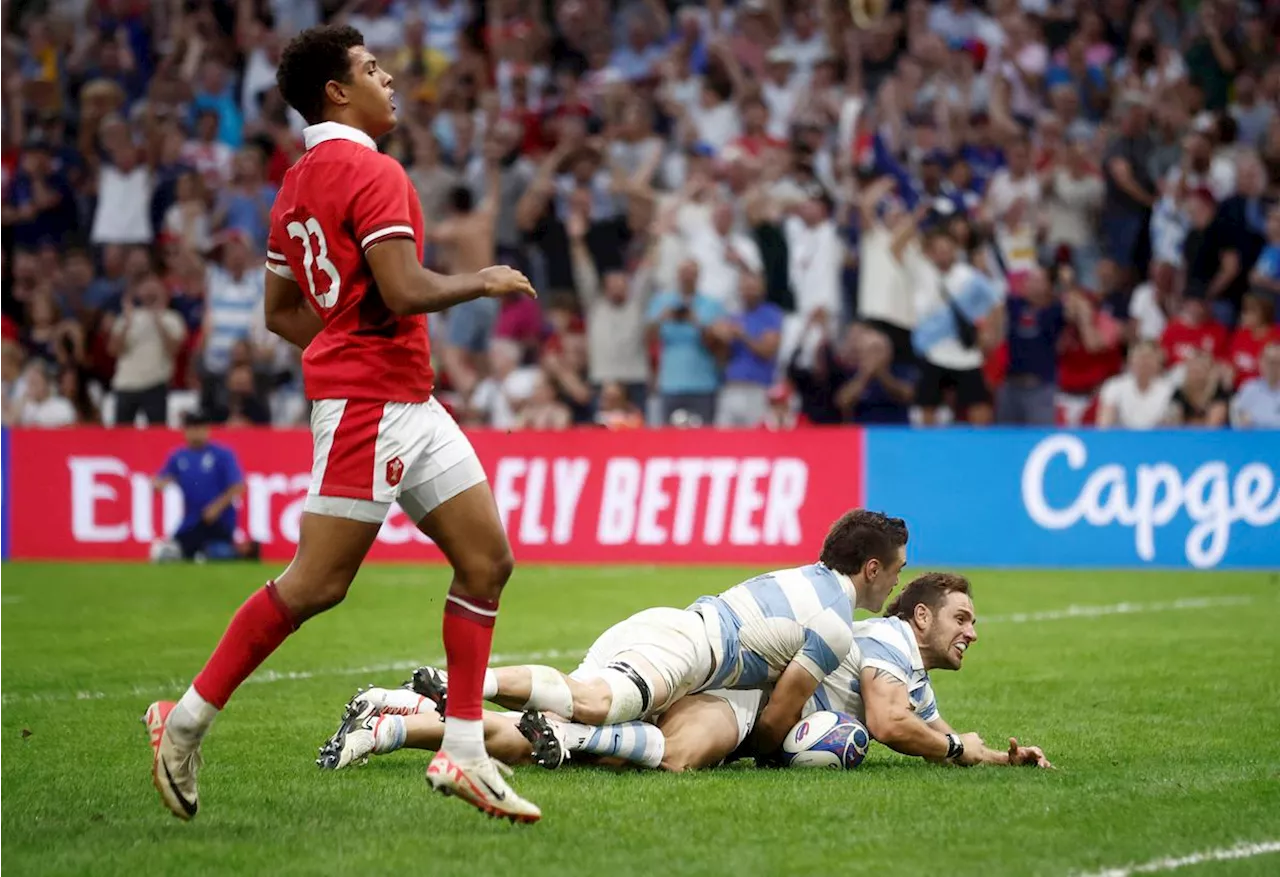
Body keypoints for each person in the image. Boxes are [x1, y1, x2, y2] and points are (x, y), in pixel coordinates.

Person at [143, 25, 542, 826]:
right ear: (336, 90)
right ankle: (181, 721)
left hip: (406, 399)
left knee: (486, 560)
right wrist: (483, 280)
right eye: (370, 68)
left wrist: (342, 350)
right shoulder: (374, 170)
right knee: (316, 584)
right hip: (372, 408)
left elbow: (280, 311)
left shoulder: (294, 184)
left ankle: (463, 751)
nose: (387, 77)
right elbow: (399, 290)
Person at [318, 573, 1050, 774]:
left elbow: (934, 727)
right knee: (601, 715)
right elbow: (895, 727)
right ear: (917, 616)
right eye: (961, 616)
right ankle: (454, 684)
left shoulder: (907, 673)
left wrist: (994, 754)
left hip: (724, 691)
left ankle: (394, 718)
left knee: (561, 742)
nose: (973, 630)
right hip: (712, 679)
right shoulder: (885, 639)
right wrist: (956, 750)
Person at [404, 510, 908, 767]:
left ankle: (397, 716)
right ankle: (463, 685)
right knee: (596, 704)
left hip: (667, 631)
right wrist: (771, 757)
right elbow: (779, 715)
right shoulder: (836, 621)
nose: (896, 584)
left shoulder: (808, 575)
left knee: (563, 721)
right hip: (687, 649)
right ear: (870, 567)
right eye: (895, 570)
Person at [152, 411, 258, 560]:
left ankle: (236, 553)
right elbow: (161, 479)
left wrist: (216, 507)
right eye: (192, 428)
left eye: (200, 428)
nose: (196, 433)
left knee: (217, 552)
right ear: (186, 431)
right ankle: (199, 553)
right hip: (192, 520)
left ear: (207, 430)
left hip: (219, 520)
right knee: (178, 550)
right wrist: (158, 484)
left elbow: (238, 486)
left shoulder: (222, 455)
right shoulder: (178, 456)